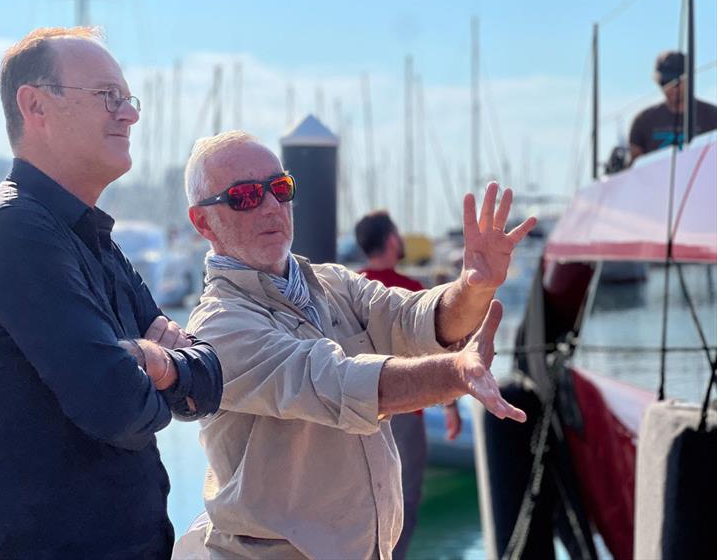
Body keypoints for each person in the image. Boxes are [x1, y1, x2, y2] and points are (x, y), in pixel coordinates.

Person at [0, 27, 223, 559]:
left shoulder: (92, 240)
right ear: (35, 105)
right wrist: (164, 361)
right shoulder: (7, 230)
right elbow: (114, 406)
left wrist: (146, 362)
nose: (130, 114)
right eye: (108, 96)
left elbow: (206, 385)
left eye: (128, 100)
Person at [175, 130, 535, 560]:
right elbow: (336, 382)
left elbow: (414, 319)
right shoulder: (218, 327)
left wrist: (475, 285)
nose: (271, 205)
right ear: (203, 222)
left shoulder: (331, 283)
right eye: (246, 196)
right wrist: (455, 373)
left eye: (280, 188)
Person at [354, 209, 462, 560]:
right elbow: (441, 351)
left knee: (360, 505)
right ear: (390, 240)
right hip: (404, 416)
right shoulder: (412, 291)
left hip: (356, 413)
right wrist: (451, 407)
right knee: (404, 501)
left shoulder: (349, 290)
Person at [628, 50, 717, 165]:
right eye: (664, 82)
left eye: (676, 82)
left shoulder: (712, 116)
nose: (671, 88)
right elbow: (634, 169)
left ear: (689, 78)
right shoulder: (642, 121)